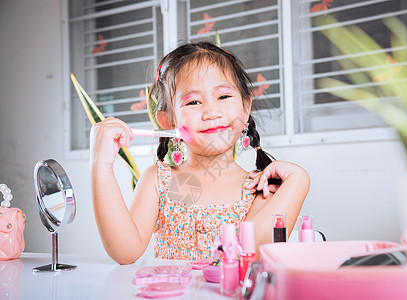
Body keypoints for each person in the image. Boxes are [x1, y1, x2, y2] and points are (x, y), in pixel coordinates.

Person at [90, 41, 310, 264]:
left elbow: (254, 252)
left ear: (245, 109)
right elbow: (124, 252)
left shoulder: (259, 187)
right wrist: (102, 165)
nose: (212, 112)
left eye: (223, 97)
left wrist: (299, 179)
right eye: (194, 102)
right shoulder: (158, 181)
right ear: (168, 122)